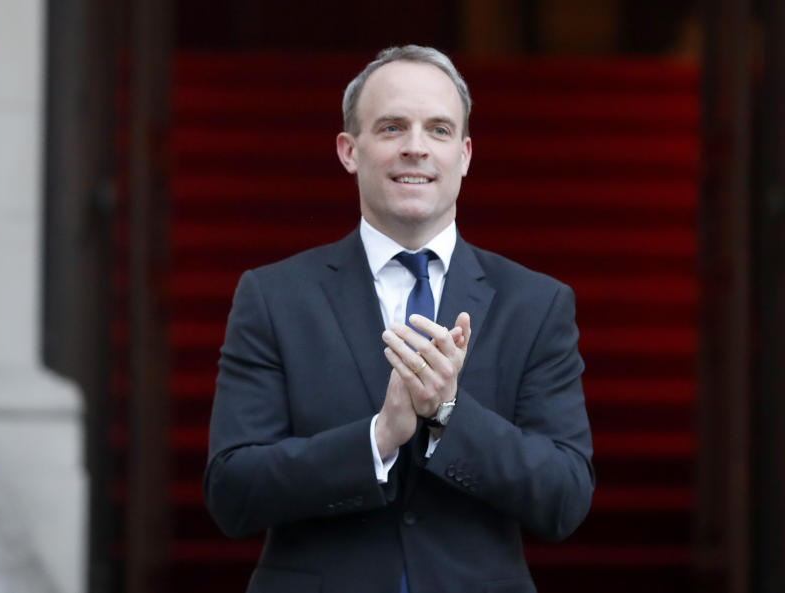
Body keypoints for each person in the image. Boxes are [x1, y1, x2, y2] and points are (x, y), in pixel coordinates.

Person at [204, 45, 594, 593]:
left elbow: (565, 497)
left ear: (464, 154)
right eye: (391, 127)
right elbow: (232, 492)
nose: (416, 148)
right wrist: (377, 438)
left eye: (438, 130)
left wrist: (449, 415)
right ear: (349, 150)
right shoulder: (273, 296)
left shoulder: (535, 303)